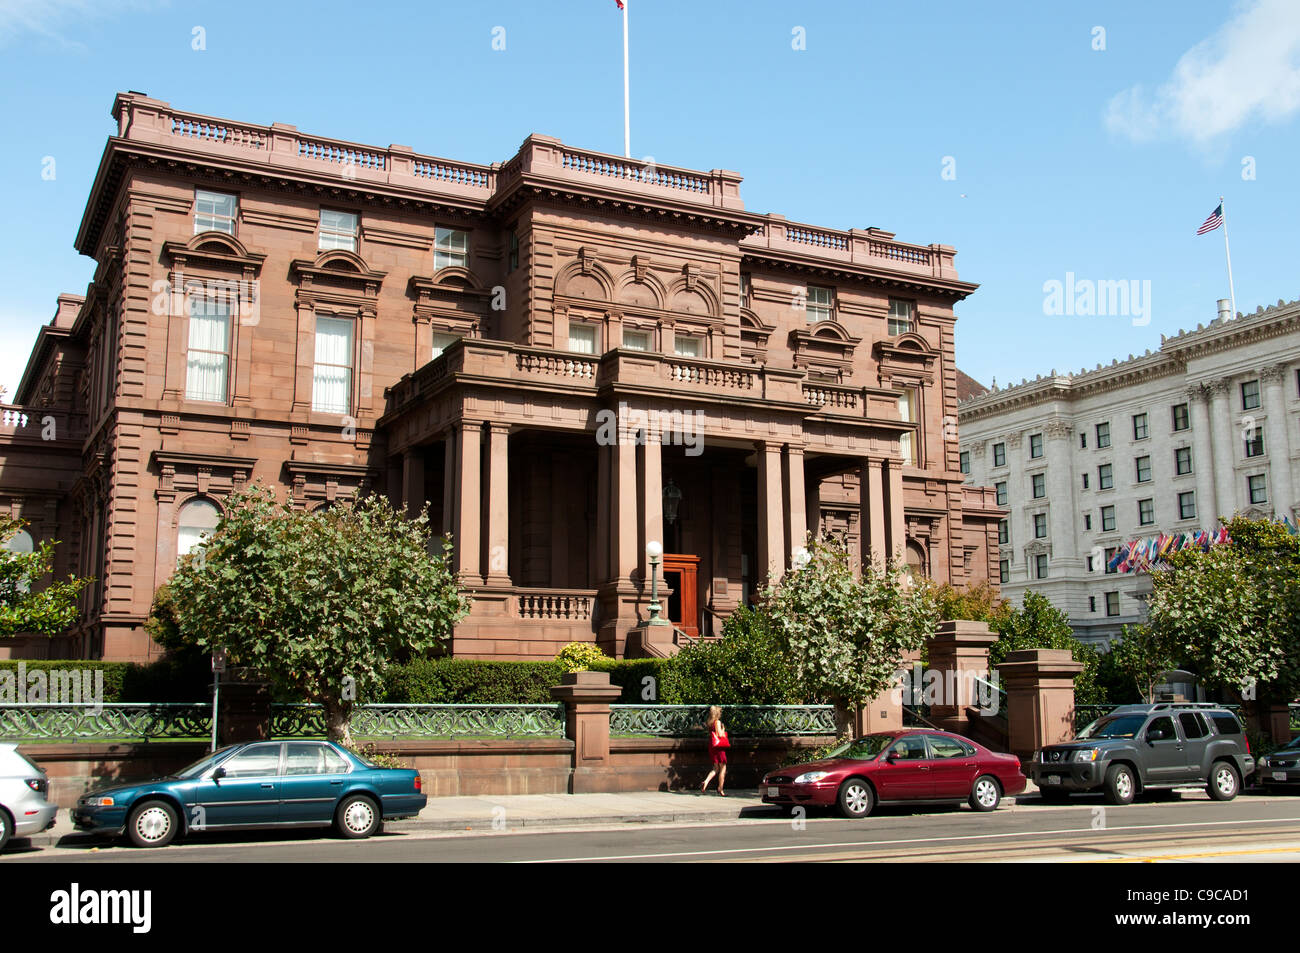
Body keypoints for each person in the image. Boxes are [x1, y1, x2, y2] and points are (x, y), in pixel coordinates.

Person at [701, 705, 729, 796]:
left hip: (712, 746)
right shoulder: (717, 722)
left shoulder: (710, 722)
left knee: (716, 768)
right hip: (719, 748)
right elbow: (720, 735)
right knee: (723, 768)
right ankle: (720, 788)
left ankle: (706, 781)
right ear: (718, 713)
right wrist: (723, 730)